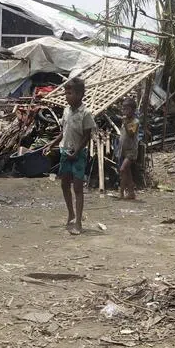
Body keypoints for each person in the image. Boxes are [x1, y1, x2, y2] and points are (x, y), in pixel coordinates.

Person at [59, 77, 95, 234]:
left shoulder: (85, 113)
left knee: (78, 187)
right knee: (64, 184)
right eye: (66, 93)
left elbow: (87, 136)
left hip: (78, 155)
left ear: (80, 94)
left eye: (70, 93)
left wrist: (78, 151)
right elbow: (64, 132)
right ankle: (70, 213)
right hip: (65, 152)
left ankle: (78, 222)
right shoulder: (66, 111)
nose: (67, 96)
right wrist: (52, 144)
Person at [117, 96, 140, 201]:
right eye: (124, 109)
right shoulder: (125, 121)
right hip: (124, 150)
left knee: (123, 169)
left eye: (127, 109)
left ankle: (121, 192)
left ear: (133, 110)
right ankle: (131, 192)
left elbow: (131, 133)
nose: (125, 111)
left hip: (131, 150)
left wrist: (126, 123)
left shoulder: (135, 121)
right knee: (127, 172)